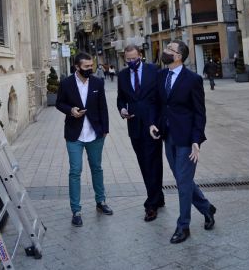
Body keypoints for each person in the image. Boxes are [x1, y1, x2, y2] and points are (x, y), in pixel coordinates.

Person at [149, 40, 216, 244]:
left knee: (183, 183)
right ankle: (206, 208)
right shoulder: (161, 75)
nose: (165, 51)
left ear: (178, 56)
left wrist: (197, 140)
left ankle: (183, 226)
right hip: (167, 136)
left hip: (187, 139)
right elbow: (157, 103)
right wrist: (153, 123)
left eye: (170, 49)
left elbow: (199, 113)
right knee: (182, 180)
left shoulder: (193, 79)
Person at [56, 52, 112, 227]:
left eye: (91, 65)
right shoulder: (66, 83)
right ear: (77, 67)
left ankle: (101, 202)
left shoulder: (97, 82)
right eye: (87, 66)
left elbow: (103, 106)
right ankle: (76, 210)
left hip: (95, 134)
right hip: (74, 134)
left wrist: (105, 129)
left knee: (97, 168)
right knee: (75, 171)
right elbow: (59, 103)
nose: (91, 69)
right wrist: (70, 110)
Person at [116, 45, 164, 222]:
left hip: (153, 125)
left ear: (140, 56)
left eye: (134, 59)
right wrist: (122, 109)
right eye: (128, 60)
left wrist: (157, 121)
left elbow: (160, 98)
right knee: (145, 164)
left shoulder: (154, 70)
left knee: (153, 162)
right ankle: (158, 197)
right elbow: (121, 98)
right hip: (134, 125)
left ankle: (151, 205)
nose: (131, 62)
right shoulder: (122, 75)